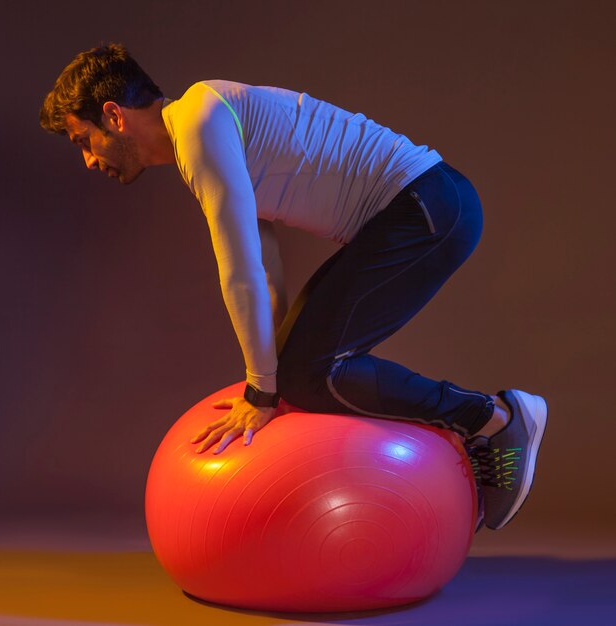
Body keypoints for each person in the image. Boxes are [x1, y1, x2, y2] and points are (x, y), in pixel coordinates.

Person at [40, 43, 547, 532]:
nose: (88, 159)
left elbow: (237, 268)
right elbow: (263, 261)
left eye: (83, 140)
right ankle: (481, 420)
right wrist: (274, 374)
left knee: (311, 372)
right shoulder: (206, 123)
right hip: (425, 208)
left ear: (114, 116)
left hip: (427, 209)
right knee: (301, 370)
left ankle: (494, 418)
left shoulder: (199, 123)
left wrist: (262, 390)